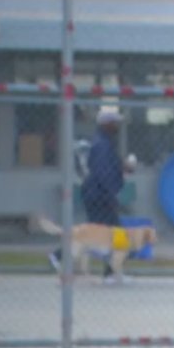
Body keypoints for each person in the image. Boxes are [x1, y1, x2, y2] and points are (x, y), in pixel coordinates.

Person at [49, 109, 133, 279]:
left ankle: (60, 255)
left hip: (96, 194)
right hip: (100, 195)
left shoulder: (103, 143)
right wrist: (111, 195)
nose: (117, 125)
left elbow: (105, 168)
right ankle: (111, 273)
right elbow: (103, 173)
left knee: (94, 233)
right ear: (107, 124)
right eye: (115, 122)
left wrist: (121, 167)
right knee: (116, 234)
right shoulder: (102, 145)